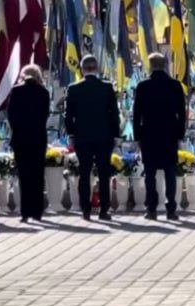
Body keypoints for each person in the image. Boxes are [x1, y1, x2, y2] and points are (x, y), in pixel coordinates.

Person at [65, 55, 120, 220]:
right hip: (104, 137)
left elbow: (69, 116)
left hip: (83, 137)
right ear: (96, 68)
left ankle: (85, 209)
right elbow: (114, 114)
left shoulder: (74, 89)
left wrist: (71, 134)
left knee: (84, 172)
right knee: (104, 174)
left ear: (82, 69)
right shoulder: (107, 88)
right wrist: (116, 134)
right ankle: (104, 209)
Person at [133, 52, 187, 221]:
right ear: (164, 65)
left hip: (149, 135)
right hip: (169, 135)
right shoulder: (175, 85)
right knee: (170, 172)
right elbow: (181, 113)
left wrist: (137, 137)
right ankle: (171, 209)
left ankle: (151, 209)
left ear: (150, 65)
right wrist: (180, 135)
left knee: (150, 174)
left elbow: (137, 114)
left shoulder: (143, 86)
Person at [7, 64, 50, 222]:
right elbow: (45, 115)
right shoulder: (43, 92)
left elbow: (11, 115)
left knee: (24, 175)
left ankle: (25, 212)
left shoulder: (17, 91)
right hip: (38, 137)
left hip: (20, 138)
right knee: (38, 175)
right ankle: (37, 211)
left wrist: (17, 129)